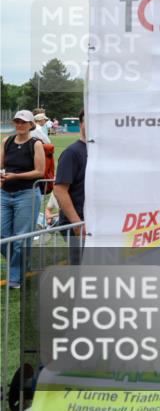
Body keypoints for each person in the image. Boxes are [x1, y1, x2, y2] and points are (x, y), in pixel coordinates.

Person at [1, 111, 46, 289]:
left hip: (27, 194)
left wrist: (15, 176)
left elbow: (39, 172)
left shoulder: (36, 144)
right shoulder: (7, 141)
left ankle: (15, 279)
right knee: (3, 236)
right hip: (4, 194)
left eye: (23, 122)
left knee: (20, 239)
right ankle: (23, 262)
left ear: (31, 125)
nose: (19, 124)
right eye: (17, 121)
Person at [53, 110, 87, 264]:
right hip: (77, 222)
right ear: (81, 124)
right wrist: (77, 224)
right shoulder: (72, 153)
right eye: (88, 120)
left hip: (95, 221)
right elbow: (60, 191)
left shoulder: (100, 152)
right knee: (80, 266)